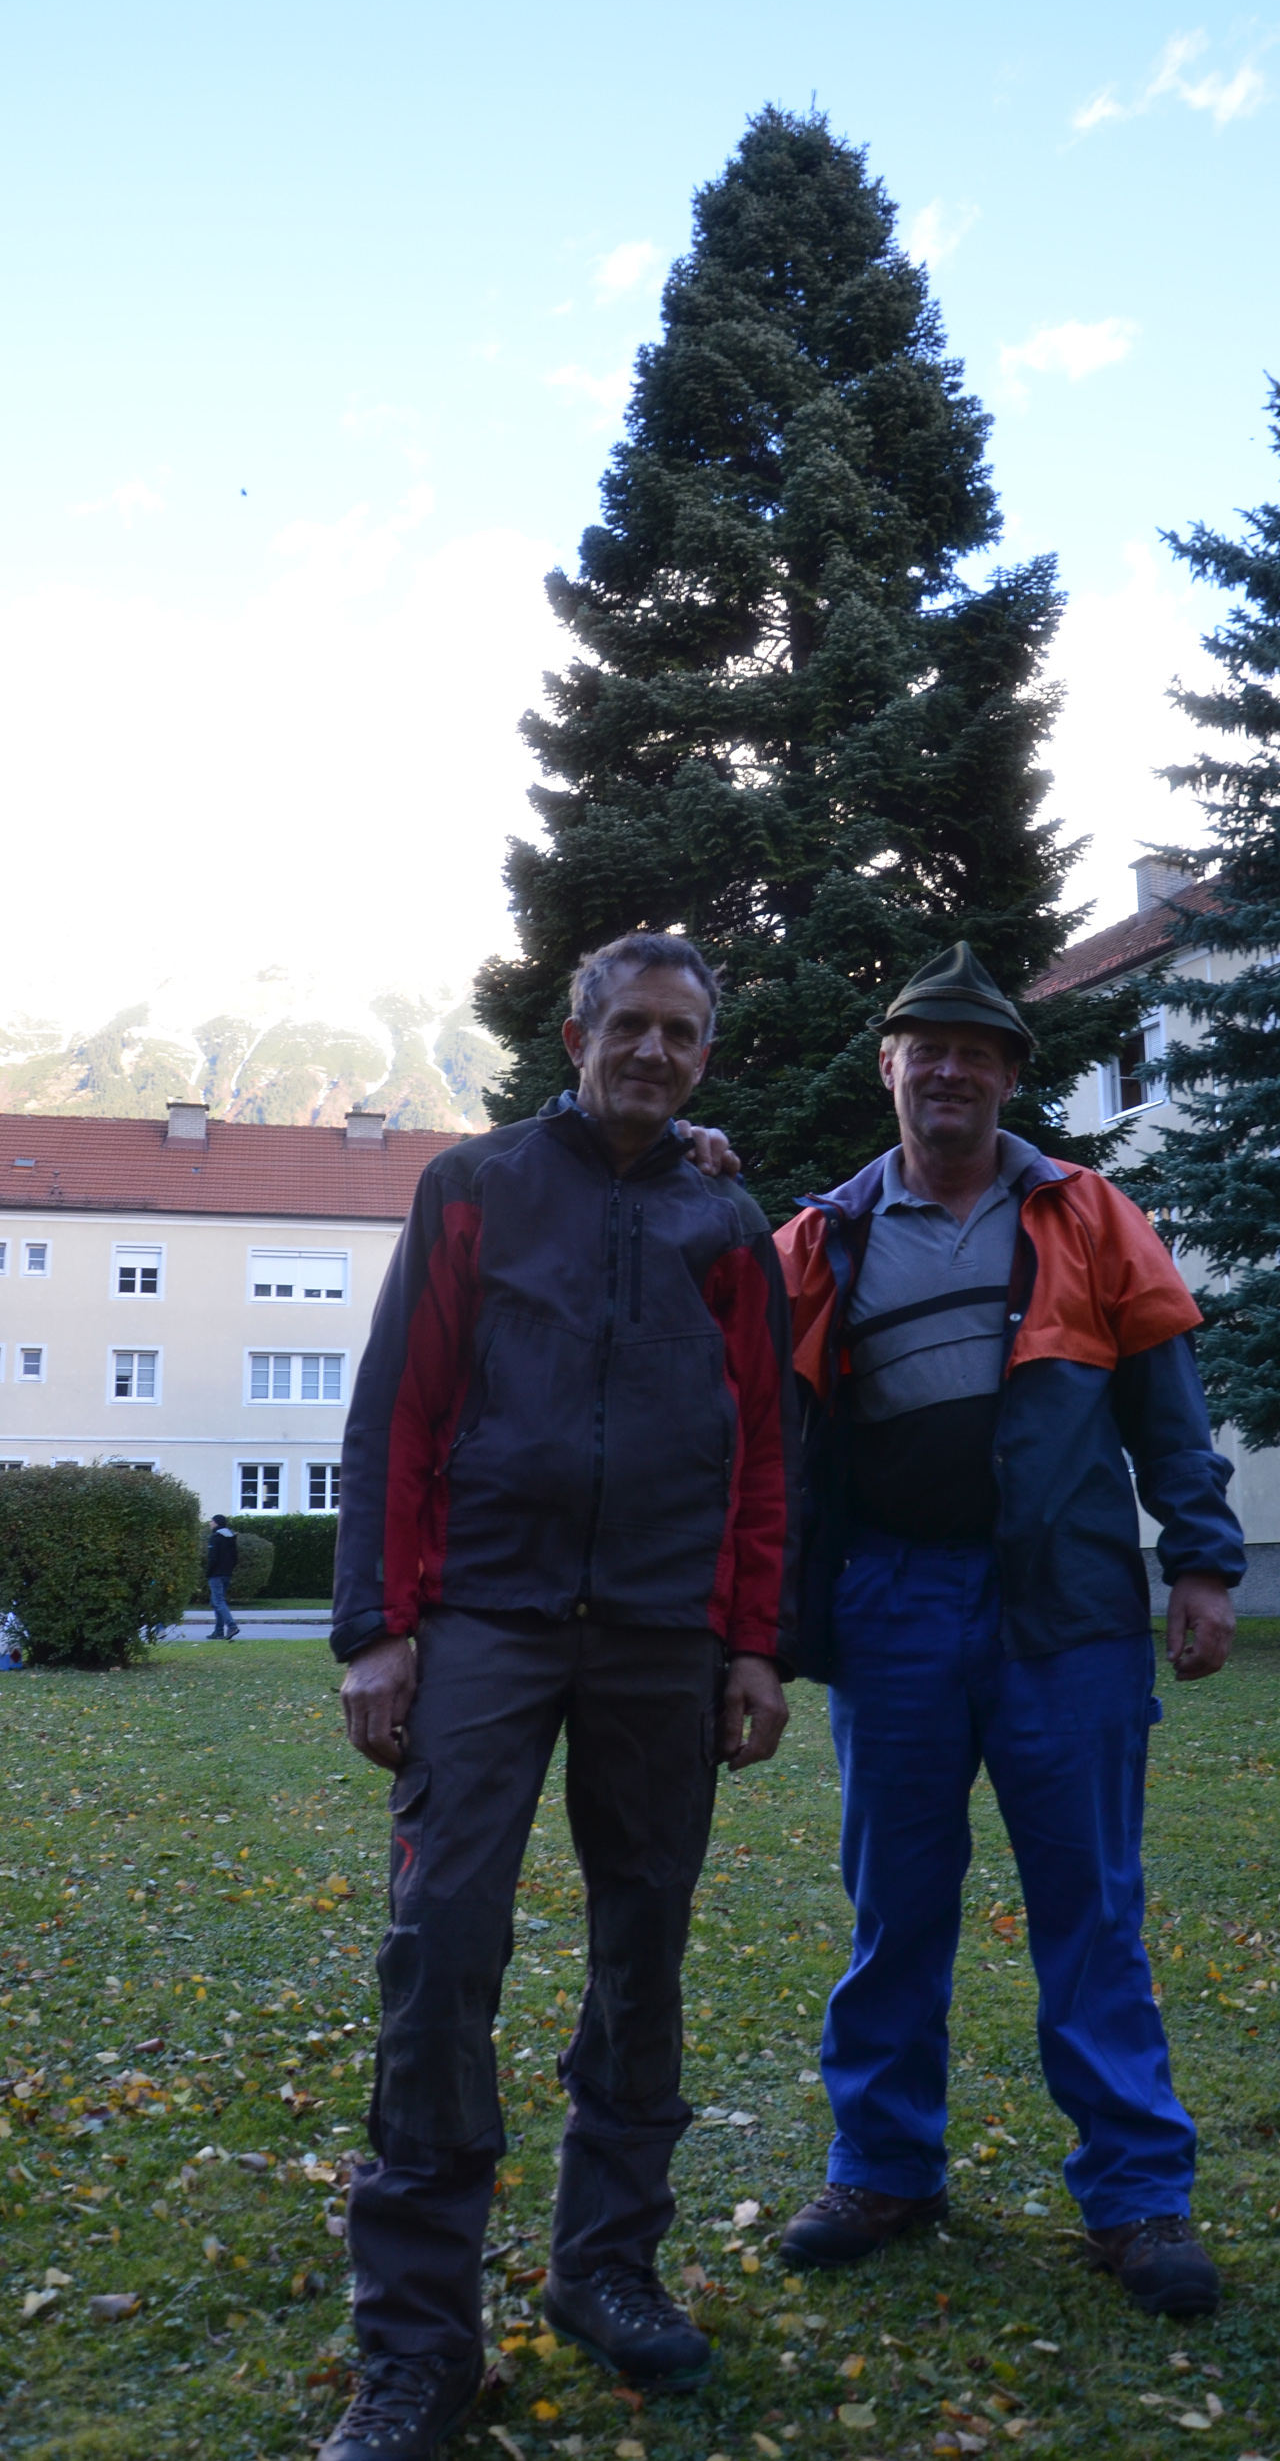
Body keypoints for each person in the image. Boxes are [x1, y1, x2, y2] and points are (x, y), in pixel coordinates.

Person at [319, 933, 797, 2461]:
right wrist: (375, 1630)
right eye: (628, 1024)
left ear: (703, 1057)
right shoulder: (473, 1189)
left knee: (643, 1954)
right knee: (441, 1946)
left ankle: (607, 2269)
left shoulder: (727, 1221)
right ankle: (417, 2346)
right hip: (486, 1622)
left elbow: (765, 1451)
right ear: (575, 1033)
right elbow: (398, 1408)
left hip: (664, 1636)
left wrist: (754, 1643)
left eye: (680, 1033)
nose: (652, 1050)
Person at [772, 943, 1245, 2321]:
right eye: (927, 1049)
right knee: (895, 1906)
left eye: (976, 1054)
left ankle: (1137, 2197)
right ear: (889, 1068)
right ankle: (883, 2170)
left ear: (1009, 1079)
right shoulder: (819, 1240)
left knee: (1092, 1908)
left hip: (1069, 1608)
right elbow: (768, 1444)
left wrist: (1202, 1564)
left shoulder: (1091, 1214)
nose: (951, 1072)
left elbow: (1170, 1411)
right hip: (891, 1603)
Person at [204, 1514, 240, 1641]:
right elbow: (235, 1558)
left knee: (218, 1601)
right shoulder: (231, 1538)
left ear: (217, 1523)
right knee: (216, 1601)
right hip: (226, 1574)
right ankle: (218, 1631)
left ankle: (231, 1625)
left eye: (212, 1521)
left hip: (216, 1574)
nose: (210, 1524)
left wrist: (208, 1572)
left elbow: (212, 1558)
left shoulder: (215, 1538)